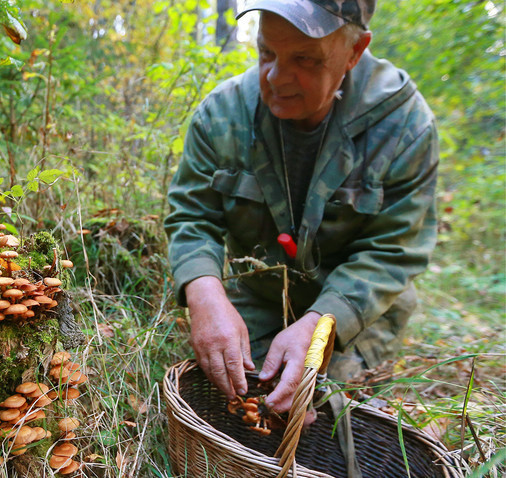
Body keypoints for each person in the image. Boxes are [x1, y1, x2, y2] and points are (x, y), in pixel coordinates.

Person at [165, 0, 438, 415]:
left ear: (355, 51)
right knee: (241, 405)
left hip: (356, 312)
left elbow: (392, 251)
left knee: (331, 414)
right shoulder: (223, 115)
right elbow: (192, 215)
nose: (275, 77)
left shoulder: (403, 127)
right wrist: (204, 294)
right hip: (260, 295)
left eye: (304, 59)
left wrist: (323, 321)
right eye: (266, 53)